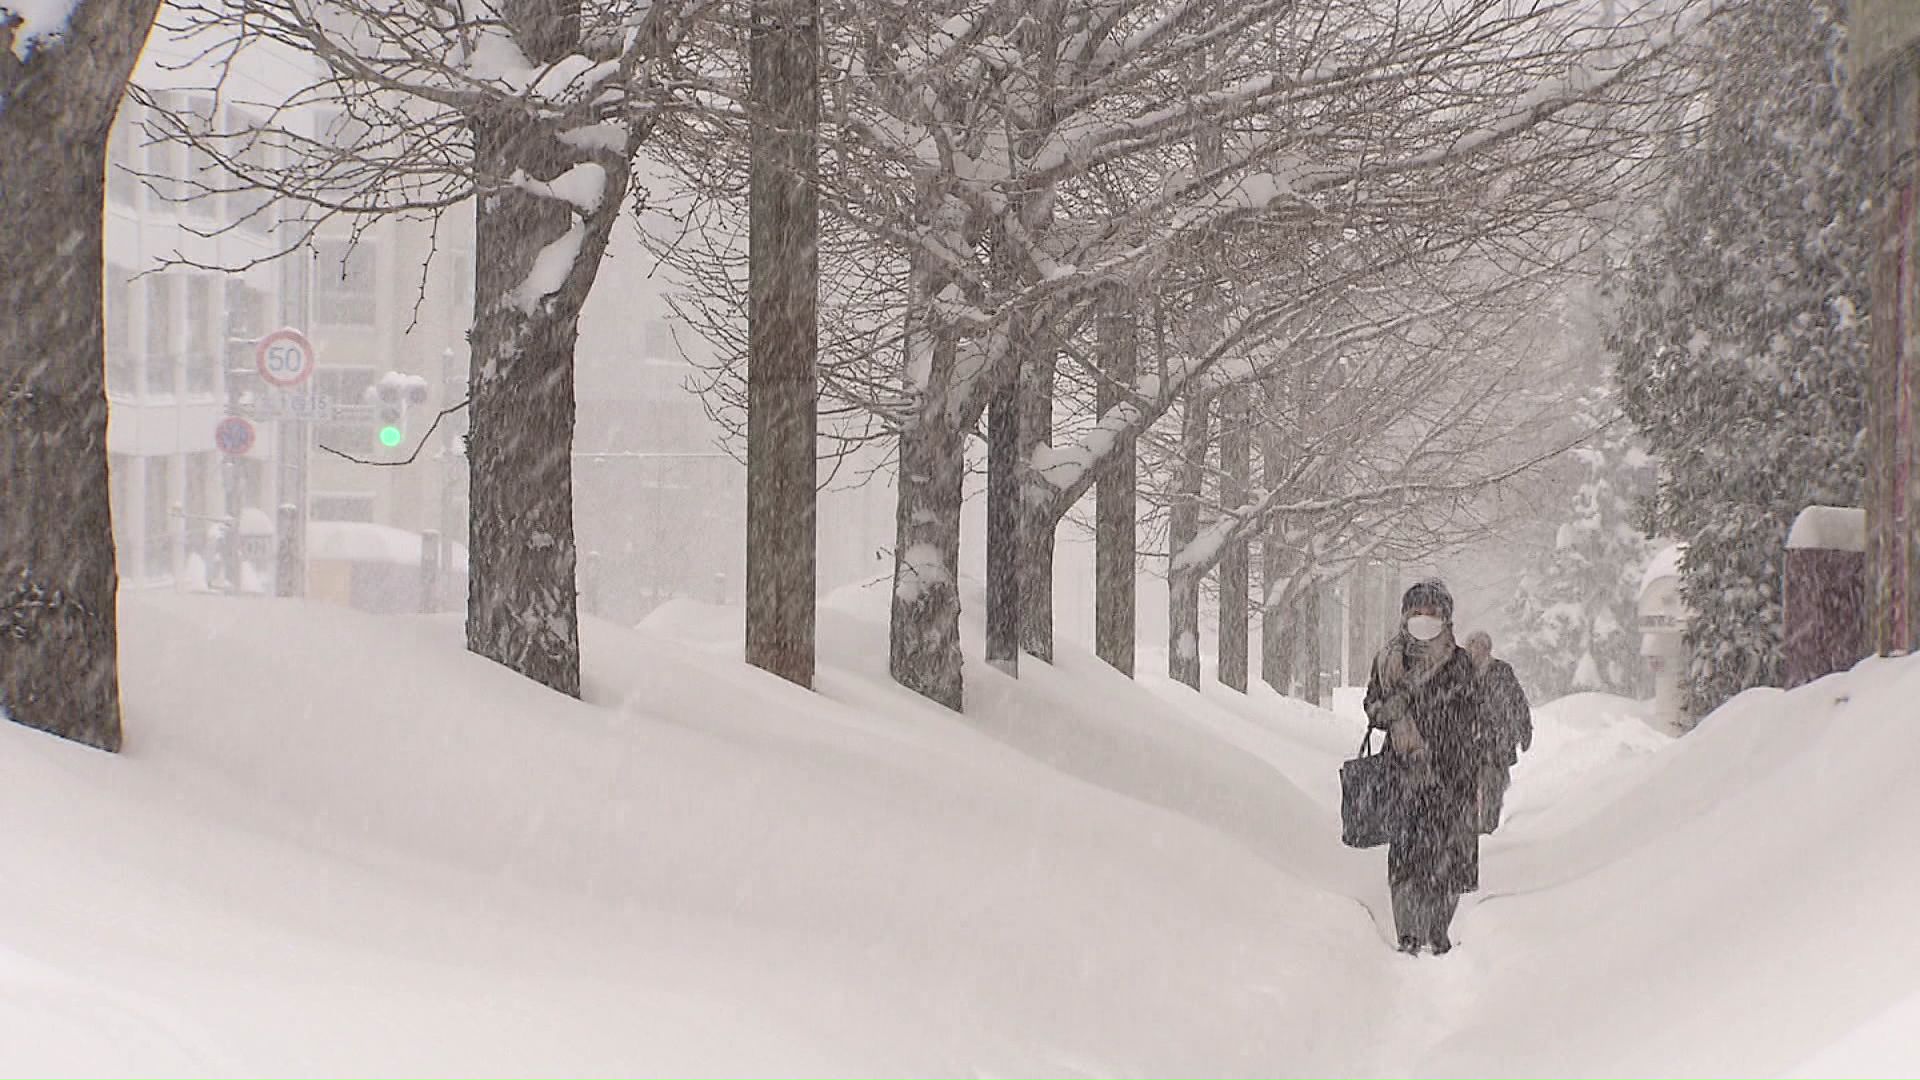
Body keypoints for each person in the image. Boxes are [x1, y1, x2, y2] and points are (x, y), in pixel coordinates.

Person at [1364, 580, 1483, 956]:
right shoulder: (1388, 660)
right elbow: (1372, 706)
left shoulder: (1460, 661)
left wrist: (1444, 725)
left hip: (1451, 773)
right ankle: (1409, 933)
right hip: (1403, 772)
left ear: (1446, 618)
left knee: (1445, 854)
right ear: (1405, 615)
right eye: (1417, 611)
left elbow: (1473, 714)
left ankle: (1438, 929)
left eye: (1432, 612)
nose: (1424, 619)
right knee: (1405, 854)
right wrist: (1386, 710)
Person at [1464, 631, 1533, 835]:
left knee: (1492, 788)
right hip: (1467, 743)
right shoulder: (1459, 672)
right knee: (1467, 788)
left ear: (1488, 649)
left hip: (1497, 741)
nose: (1476, 651)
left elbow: (1517, 701)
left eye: (1481, 646)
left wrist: (1524, 729)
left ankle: (1488, 829)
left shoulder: (1502, 671)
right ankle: (1468, 829)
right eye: (1472, 646)